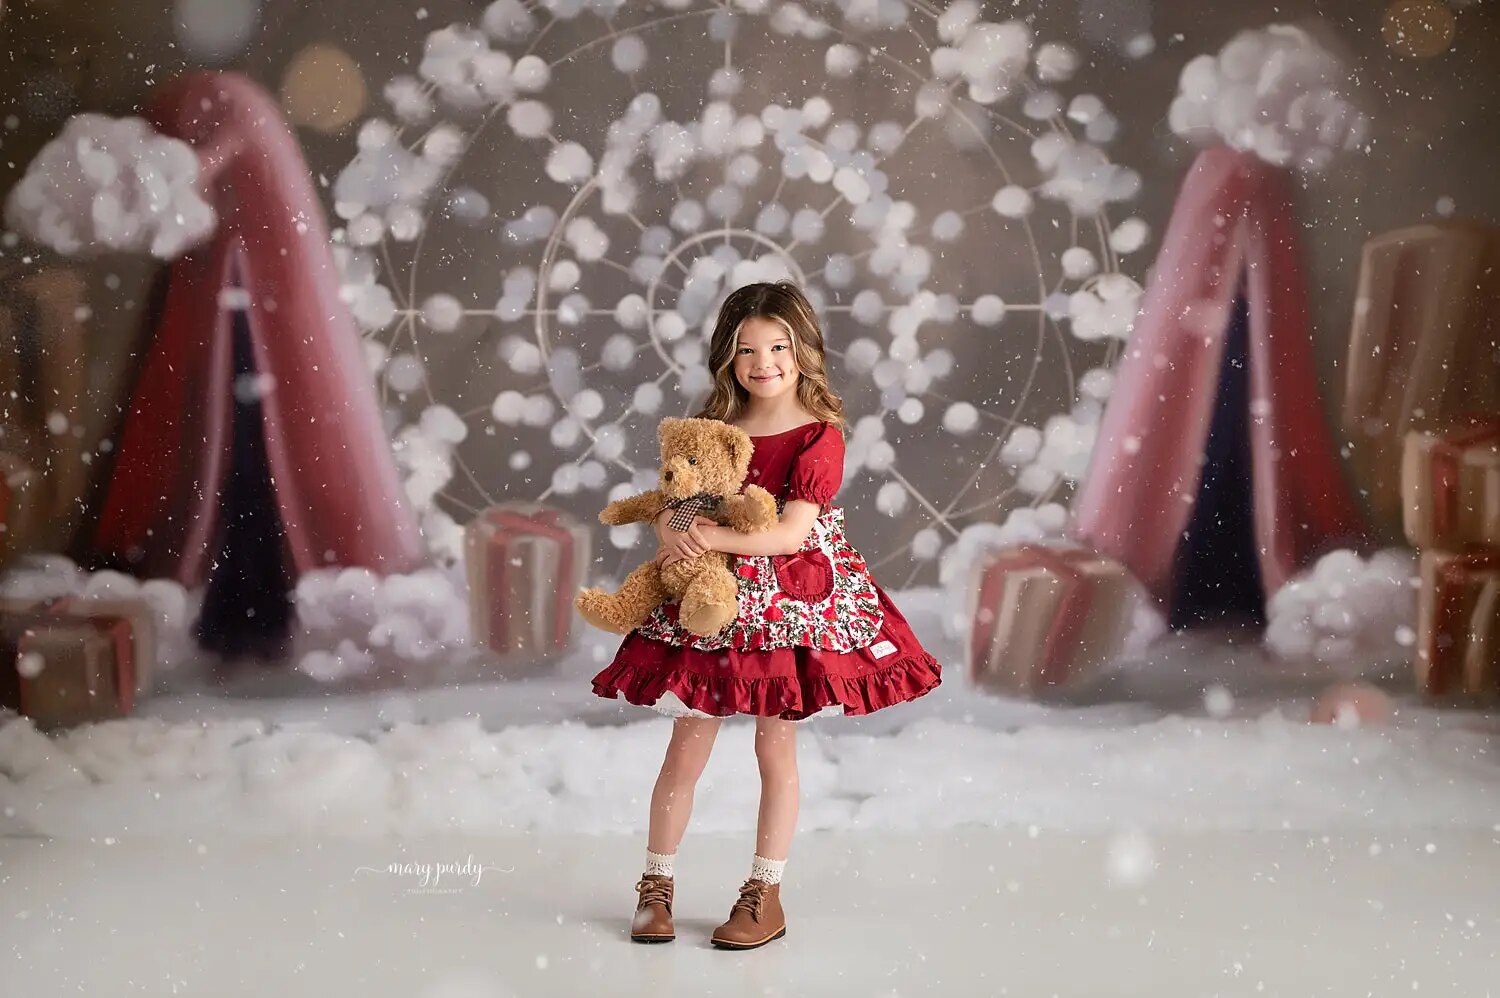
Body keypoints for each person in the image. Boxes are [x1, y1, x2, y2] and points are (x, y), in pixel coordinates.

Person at [590, 280, 943, 949]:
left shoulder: (820, 436)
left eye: (779, 346)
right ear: (729, 357)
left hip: (787, 599)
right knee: (687, 742)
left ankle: (763, 890)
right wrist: (675, 526)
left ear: (804, 349)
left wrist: (713, 537)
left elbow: (789, 534)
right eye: (748, 349)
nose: (765, 362)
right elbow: (683, 497)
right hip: (712, 596)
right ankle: (656, 886)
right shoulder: (718, 427)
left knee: (772, 744)